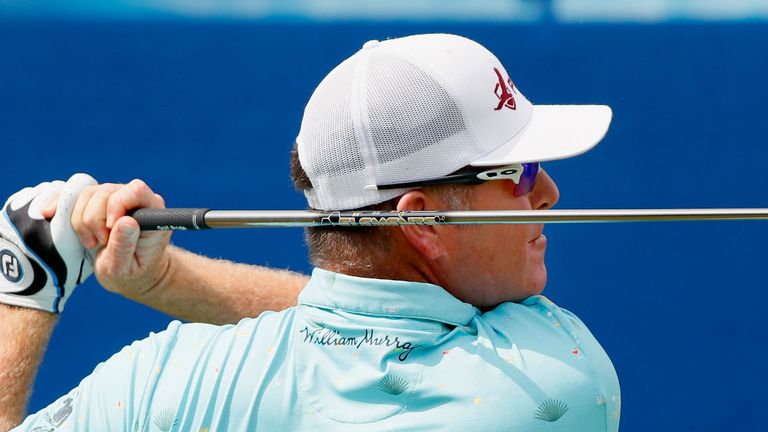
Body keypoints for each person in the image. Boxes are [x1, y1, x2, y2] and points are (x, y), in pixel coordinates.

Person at [0, 33, 620, 431]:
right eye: (520, 171)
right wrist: (165, 280)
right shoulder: (554, 378)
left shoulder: (162, 381)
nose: (547, 193)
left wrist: (28, 278)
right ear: (421, 219)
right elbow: (383, 329)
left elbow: (345, 322)